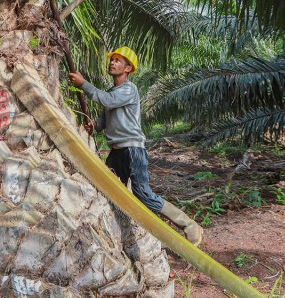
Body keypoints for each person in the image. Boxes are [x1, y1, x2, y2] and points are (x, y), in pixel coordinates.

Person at [68, 46, 204, 246]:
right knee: (109, 190)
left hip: (132, 150)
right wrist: (94, 125)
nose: (112, 63)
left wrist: (83, 84)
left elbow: (107, 101)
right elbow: (104, 120)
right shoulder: (112, 92)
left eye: (118, 61)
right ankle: (122, 237)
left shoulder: (128, 89)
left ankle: (189, 225)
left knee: (143, 194)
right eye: (112, 59)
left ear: (128, 68)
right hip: (116, 152)